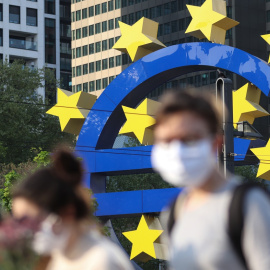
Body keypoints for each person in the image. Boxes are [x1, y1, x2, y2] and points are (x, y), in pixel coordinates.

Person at [151, 90, 270, 270]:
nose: (177, 150)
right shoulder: (174, 212)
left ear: (216, 142)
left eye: (189, 138)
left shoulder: (248, 203)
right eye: (166, 141)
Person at [12, 149, 134, 270]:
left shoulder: (101, 260)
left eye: (32, 221)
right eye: (20, 223)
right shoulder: (55, 259)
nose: (25, 231)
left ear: (68, 211)